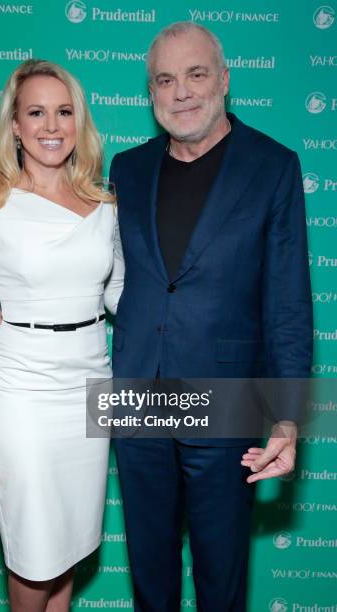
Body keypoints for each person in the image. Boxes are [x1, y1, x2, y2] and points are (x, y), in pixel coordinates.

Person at [109, 22, 312, 611]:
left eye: (196, 74)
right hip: (136, 392)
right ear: (151, 93)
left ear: (224, 79)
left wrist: (287, 418)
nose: (181, 92)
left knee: (221, 579)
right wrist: (17, 316)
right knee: (149, 573)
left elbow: (289, 304)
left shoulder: (273, 165)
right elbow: (102, 273)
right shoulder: (127, 168)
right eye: (165, 80)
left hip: (227, 397)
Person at [0, 59, 124, 612]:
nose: (52, 125)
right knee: (33, 557)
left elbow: (123, 297)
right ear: (17, 127)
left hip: (90, 390)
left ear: (79, 123)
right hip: (21, 394)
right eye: (37, 112)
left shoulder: (106, 206)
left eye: (64, 111)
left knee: (69, 549)